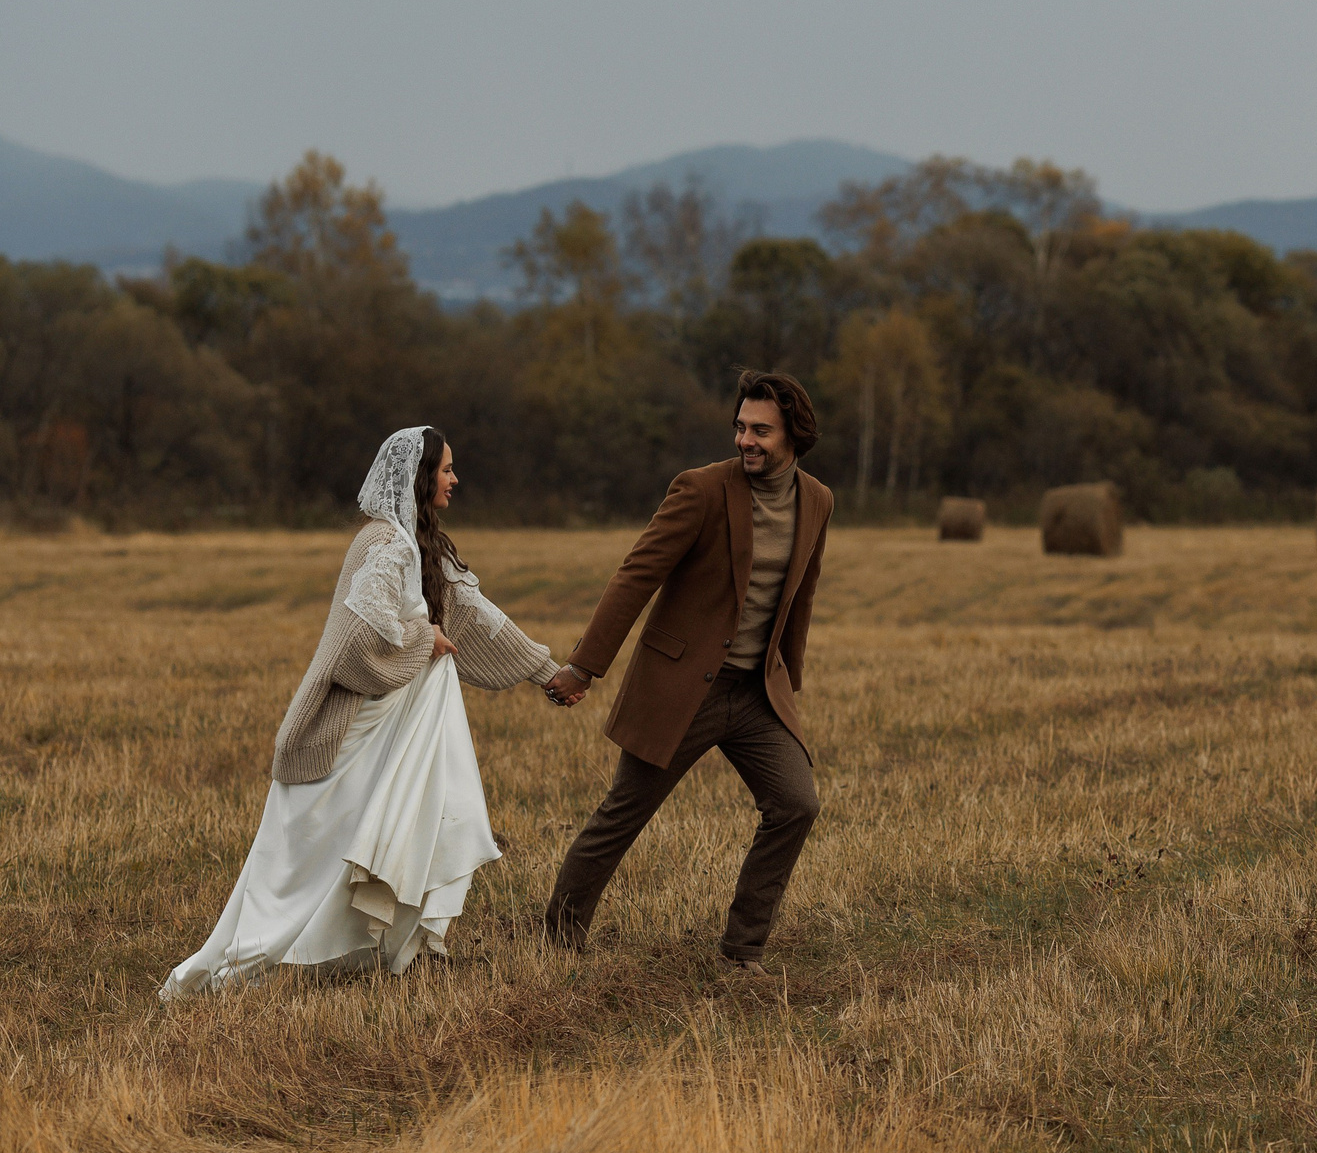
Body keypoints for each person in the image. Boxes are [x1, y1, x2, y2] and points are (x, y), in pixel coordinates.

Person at [162, 427, 562, 998]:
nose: (455, 479)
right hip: (353, 729)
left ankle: (391, 948)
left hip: (387, 731)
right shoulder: (388, 546)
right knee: (322, 856)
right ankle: (272, 956)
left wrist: (546, 670)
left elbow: (470, 612)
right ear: (420, 478)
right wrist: (424, 642)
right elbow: (356, 645)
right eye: (446, 469)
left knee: (395, 828)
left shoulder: (415, 543)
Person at [540, 370, 832, 977]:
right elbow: (636, 575)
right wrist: (584, 666)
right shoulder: (701, 490)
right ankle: (558, 938)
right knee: (625, 812)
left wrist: (788, 679)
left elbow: (800, 590)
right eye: (740, 427)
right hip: (683, 689)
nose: (745, 440)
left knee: (796, 803)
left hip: (756, 693)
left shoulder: (818, 500)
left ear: (794, 435)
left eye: (760, 431)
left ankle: (743, 949)